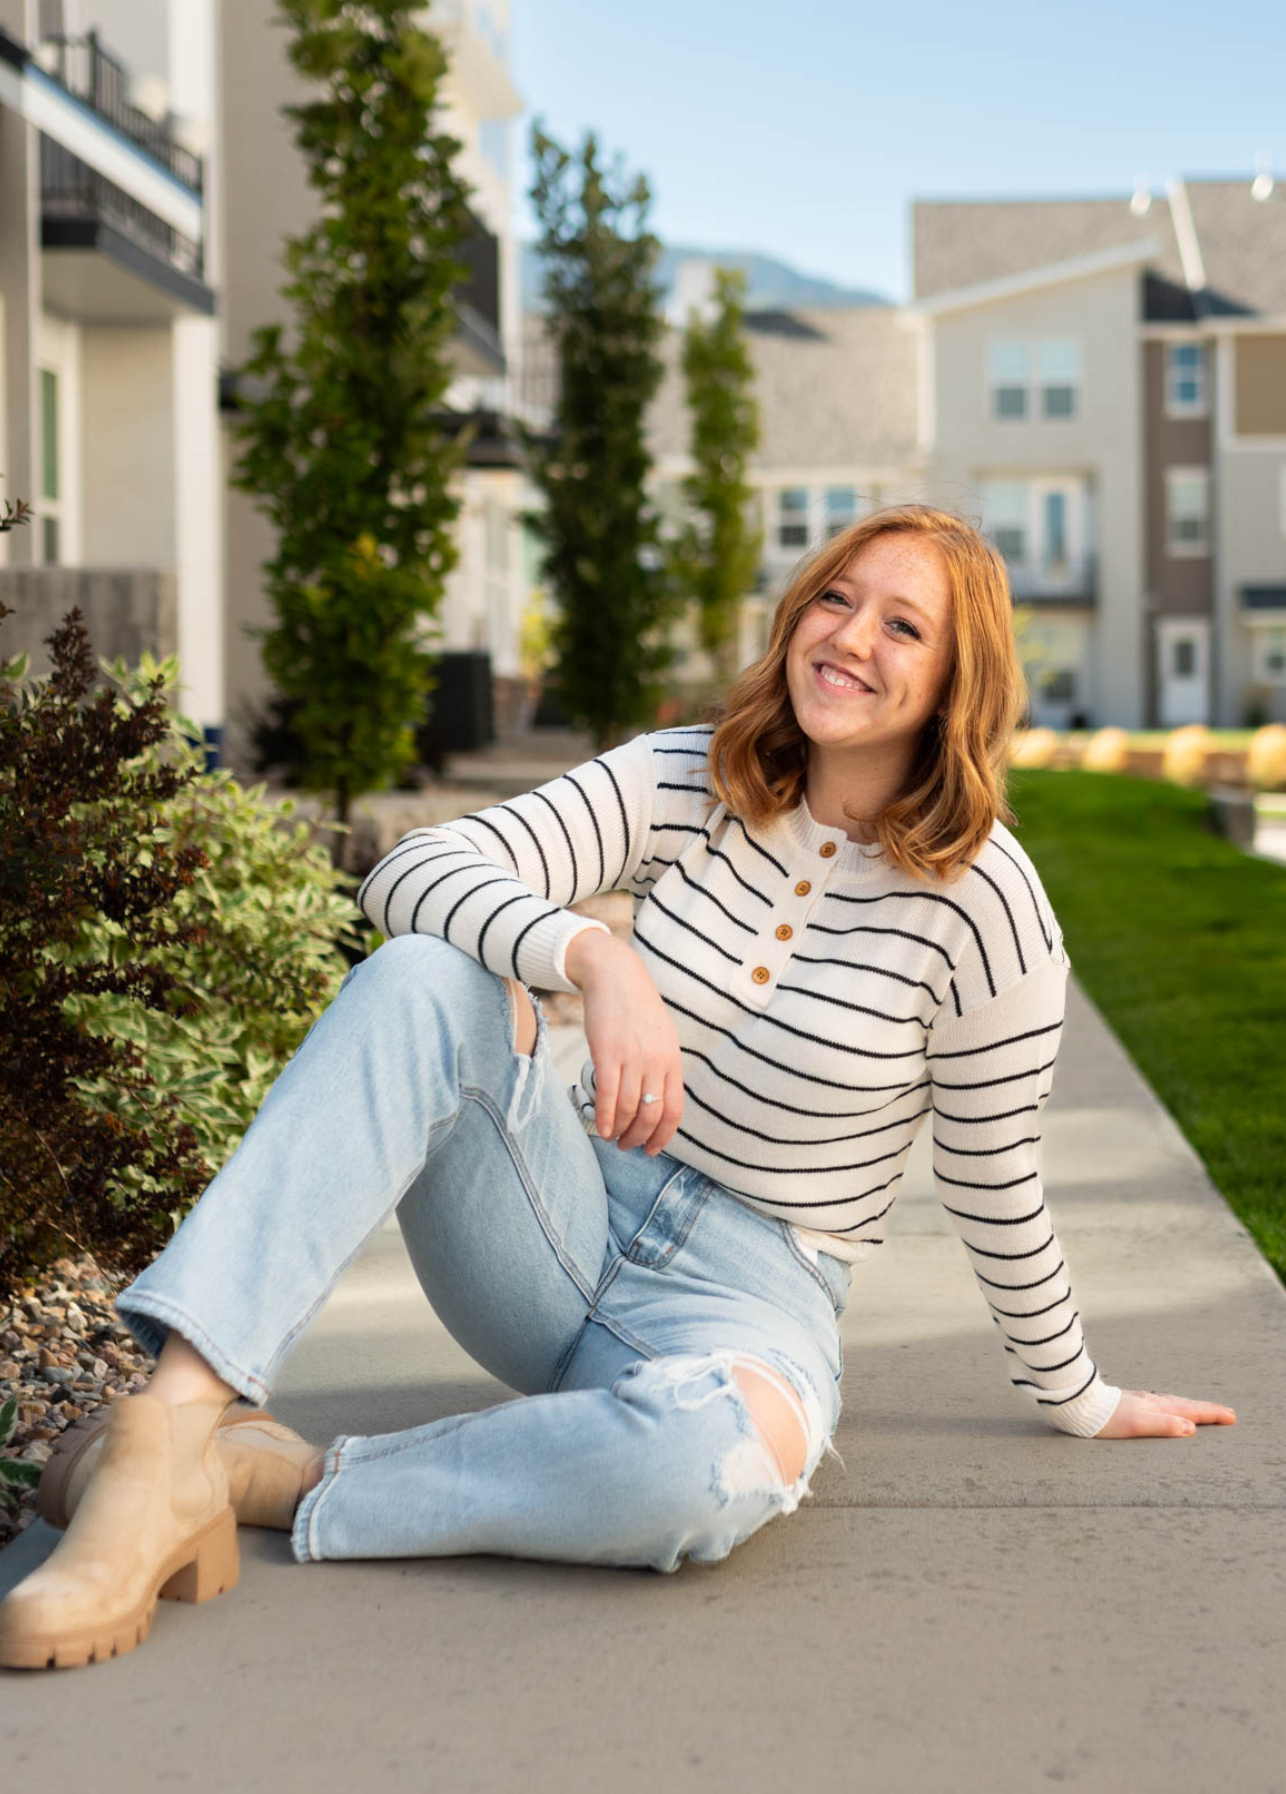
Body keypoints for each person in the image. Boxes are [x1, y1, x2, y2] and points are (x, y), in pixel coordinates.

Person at [0, 504, 1235, 1671]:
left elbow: (992, 1173)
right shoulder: (687, 778)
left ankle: (274, 1479)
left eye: (902, 626)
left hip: (752, 1295)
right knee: (430, 976)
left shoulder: (989, 909)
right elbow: (411, 871)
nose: (850, 638)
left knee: (715, 1469)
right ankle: (167, 1432)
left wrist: (1076, 1393)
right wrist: (592, 957)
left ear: (956, 684)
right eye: (833, 600)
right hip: (550, 1209)